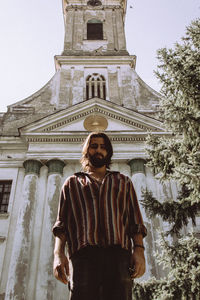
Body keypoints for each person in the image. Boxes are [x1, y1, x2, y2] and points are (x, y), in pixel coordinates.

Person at [52, 132, 147, 300]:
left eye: (103, 147)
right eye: (94, 146)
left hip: (118, 257)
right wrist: (58, 255)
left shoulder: (123, 181)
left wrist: (138, 251)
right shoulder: (72, 183)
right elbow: (62, 225)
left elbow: (135, 222)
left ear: (108, 152)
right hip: (82, 258)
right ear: (86, 151)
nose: (98, 150)